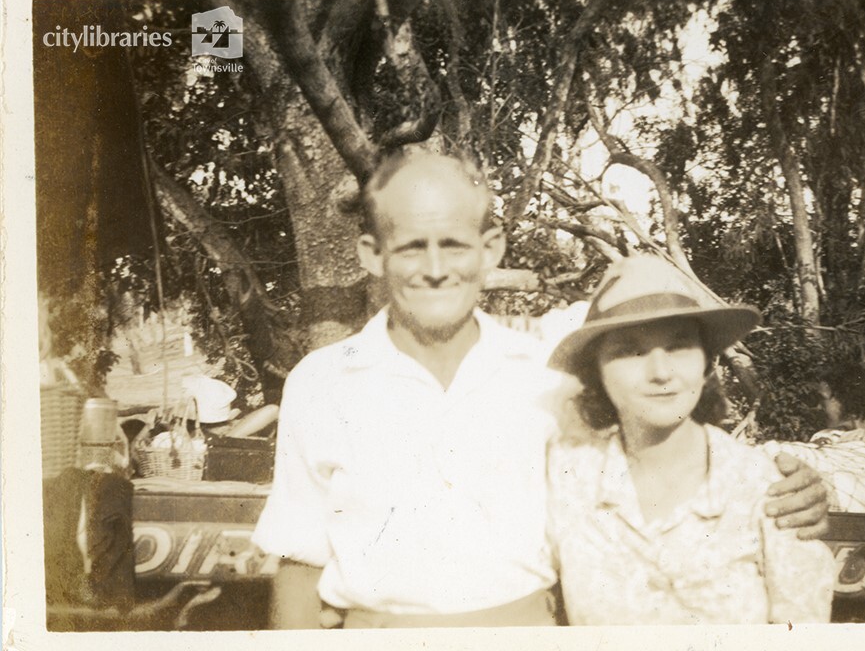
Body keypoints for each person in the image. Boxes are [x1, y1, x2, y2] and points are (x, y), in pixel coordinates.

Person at [252, 151, 829, 628]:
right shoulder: (323, 383)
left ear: (492, 247)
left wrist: (793, 488)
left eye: (453, 243)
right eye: (410, 246)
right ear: (372, 255)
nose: (434, 268)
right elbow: (300, 564)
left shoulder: (547, 375)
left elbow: (652, 450)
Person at [545, 254, 835, 625]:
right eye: (630, 350)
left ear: (707, 362)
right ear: (596, 371)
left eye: (679, 346)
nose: (661, 372)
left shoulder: (769, 491)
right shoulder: (568, 478)